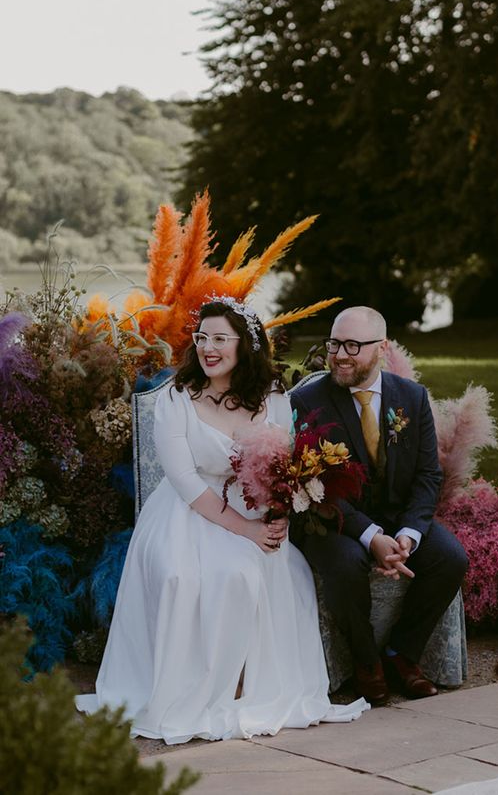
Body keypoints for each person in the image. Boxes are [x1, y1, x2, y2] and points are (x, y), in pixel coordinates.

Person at [77, 297, 367, 743]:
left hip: (255, 508)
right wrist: (247, 529)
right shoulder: (177, 397)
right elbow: (185, 480)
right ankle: (205, 688)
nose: (207, 348)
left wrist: (277, 517)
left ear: (244, 346)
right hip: (187, 512)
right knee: (201, 574)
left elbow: (282, 465)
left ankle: (246, 684)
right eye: (201, 338)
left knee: (271, 569)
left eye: (219, 339)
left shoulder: (271, 396)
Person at [290, 305, 468, 704]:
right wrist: (371, 538)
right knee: (344, 563)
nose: (339, 354)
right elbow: (317, 485)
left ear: (382, 348)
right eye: (334, 343)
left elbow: (427, 476)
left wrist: (407, 535)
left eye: (353, 345)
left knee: (450, 558)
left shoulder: (412, 397)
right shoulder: (307, 401)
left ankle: (402, 656)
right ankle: (365, 662)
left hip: (397, 515)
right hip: (332, 518)